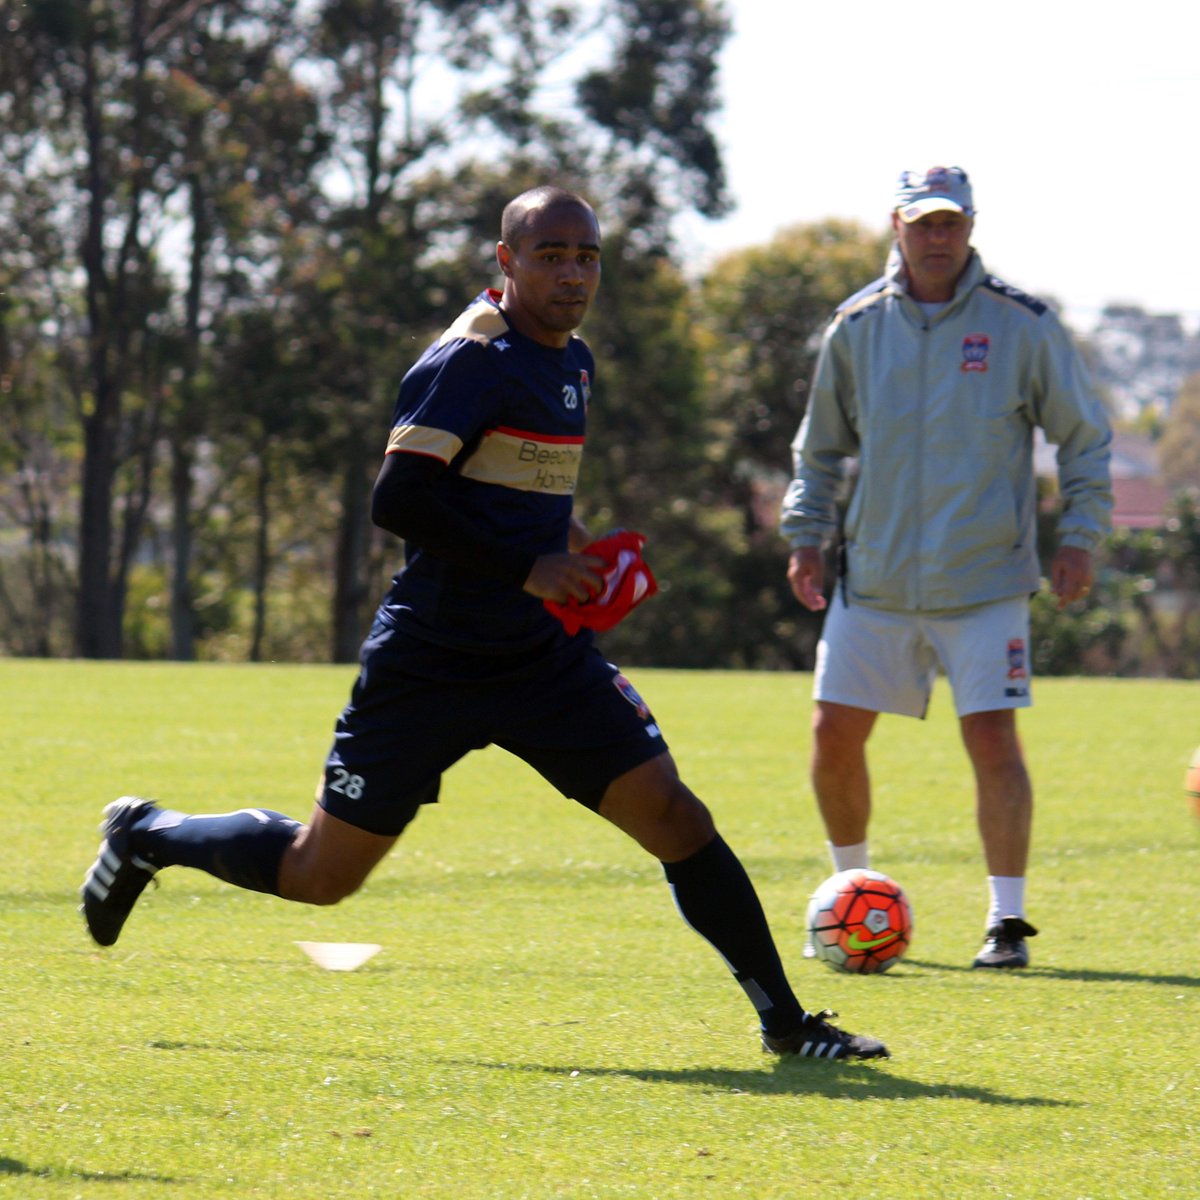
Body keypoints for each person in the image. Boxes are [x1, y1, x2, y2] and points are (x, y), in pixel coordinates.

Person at [82, 186, 888, 1061]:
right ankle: (148, 835)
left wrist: (576, 550)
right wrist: (527, 566)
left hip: (541, 660)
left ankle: (786, 1024)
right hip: (431, 660)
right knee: (322, 876)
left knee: (676, 817)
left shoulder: (570, 360)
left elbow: (516, 490)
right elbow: (399, 496)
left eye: (586, 256)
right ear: (506, 262)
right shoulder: (468, 361)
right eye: (551, 255)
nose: (573, 272)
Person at [781, 166, 1112, 969]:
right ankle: (850, 899)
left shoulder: (1021, 325)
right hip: (877, 579)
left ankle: (1007, 921)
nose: (938, 238)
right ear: (895, 225)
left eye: (951, 224)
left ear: (971, 228)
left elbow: (1084, 436)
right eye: (923, 222)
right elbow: (818, 447)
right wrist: (804, 533)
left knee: (993, 740)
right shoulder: (856, 326)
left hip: (985, 580)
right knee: (832, 734)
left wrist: (1080, 536)